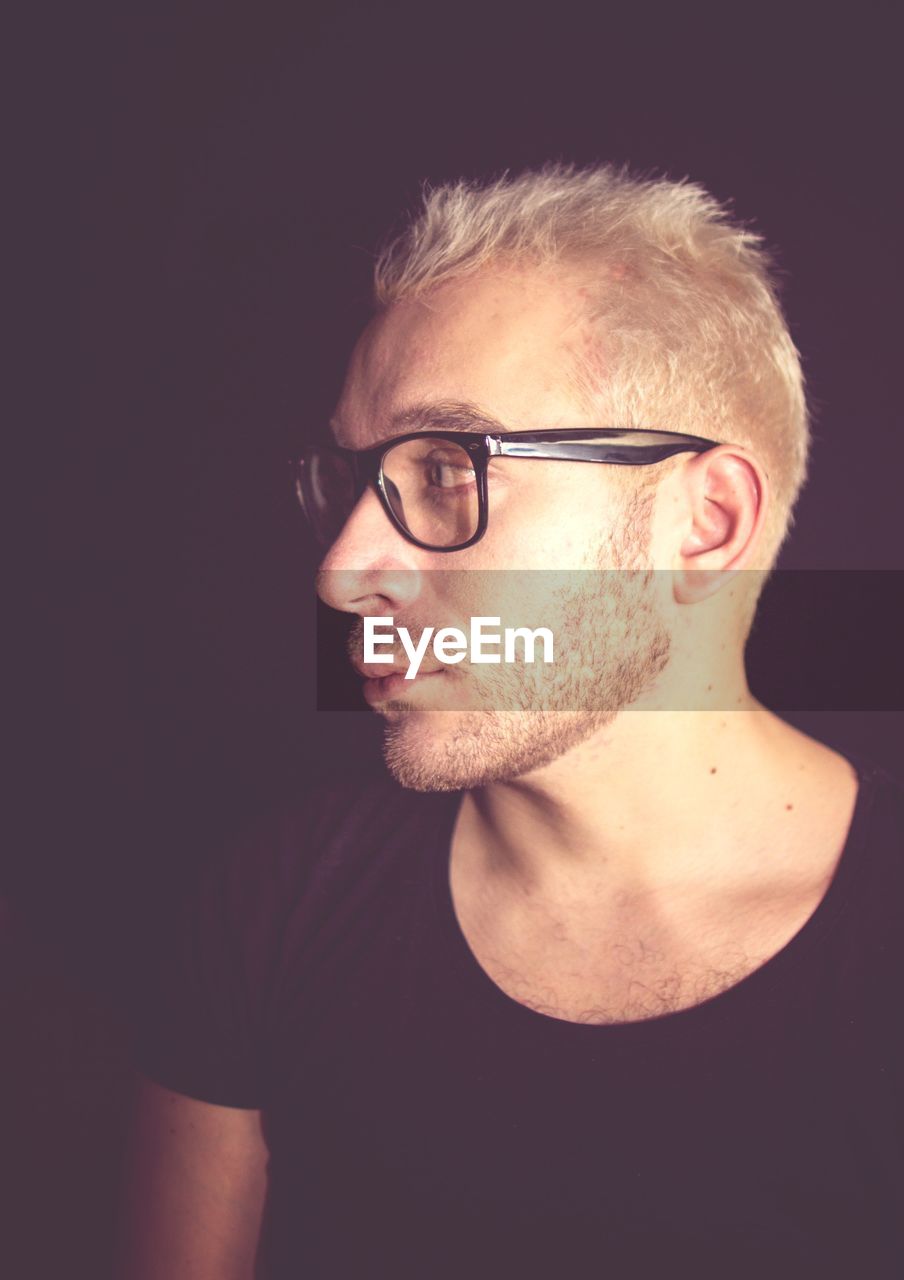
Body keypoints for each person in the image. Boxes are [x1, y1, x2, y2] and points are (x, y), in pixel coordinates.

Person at [118, 164, 904, 1279]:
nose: (344, 572)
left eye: (446, 469)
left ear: (703, 524)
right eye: (352, 479)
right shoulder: (270, 912)